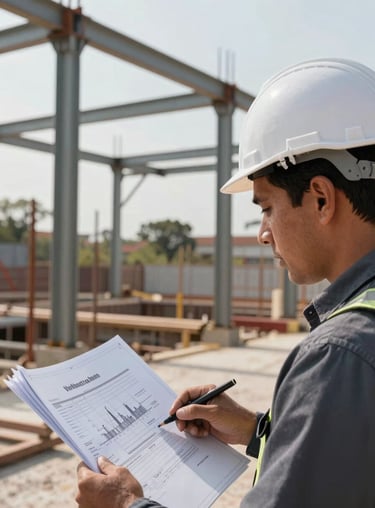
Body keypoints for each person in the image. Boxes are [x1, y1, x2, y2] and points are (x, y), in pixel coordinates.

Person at [76, 58, 375, 507]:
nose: (262, 232)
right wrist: (259, 429)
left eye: (266, 207)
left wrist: (125, 503)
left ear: (320, 198)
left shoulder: (339, 354)